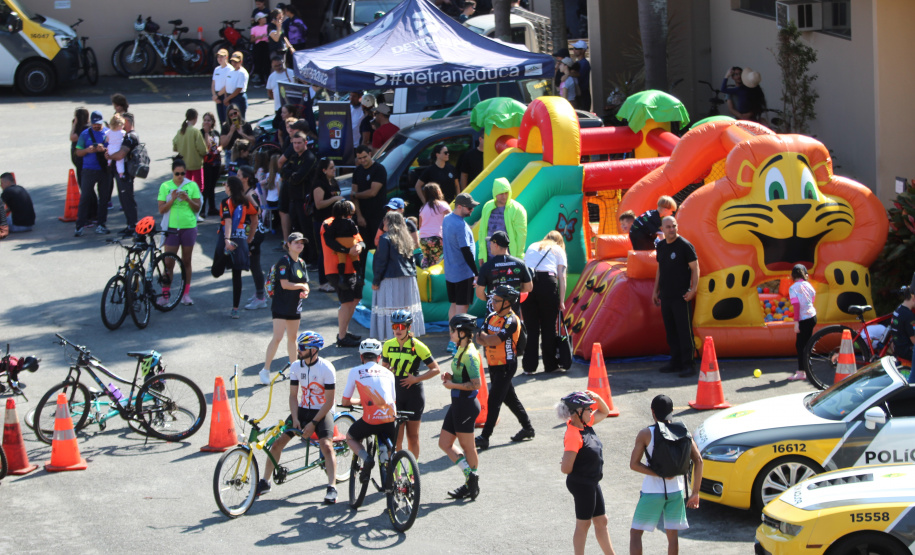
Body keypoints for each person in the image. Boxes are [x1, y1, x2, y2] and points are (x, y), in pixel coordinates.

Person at [257, 331, 339, 504]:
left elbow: (329, 401)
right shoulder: (296, 366)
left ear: (314, 350)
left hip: (322, 411)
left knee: (326, 446)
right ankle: (265, 481)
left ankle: (332, 487)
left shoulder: (327, 368)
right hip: (302, 410)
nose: (298, 350)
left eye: (302, 348)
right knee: (277, 443)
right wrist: (295, 418)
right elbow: (293, 396)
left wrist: (313, 423)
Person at [629, 395, 703, 555]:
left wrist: (658, 473)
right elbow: (699, 461)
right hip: (676, 491)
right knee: (672, 534)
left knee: (636, 533)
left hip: (652, 491)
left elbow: (634, 464)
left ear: (652, 412)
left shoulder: (646, 433)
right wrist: (695, 492)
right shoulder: (683, 431)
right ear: (672, 411)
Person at [474, 285, 535, 451]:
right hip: (493, 365)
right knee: (510, 399)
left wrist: (488, 339)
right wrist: (489, 338)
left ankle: (485, 437)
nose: (492, 303)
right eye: (492, 299)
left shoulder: (511, 321)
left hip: (506, 365)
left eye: (496, 300)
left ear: (507, 303)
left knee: (494, 401)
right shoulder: (492, 317)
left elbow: (493, 341)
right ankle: (528, 428)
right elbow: (479, 338)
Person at [558, 391, 616, 555]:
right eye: (588, 409)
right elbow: (565, 469)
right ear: (577, 412)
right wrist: (567, 460)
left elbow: (605, 412)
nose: (591, 411)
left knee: (601, 520)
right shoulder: (573, 435)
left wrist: (597, 398)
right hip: (582, 484)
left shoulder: (586, 425)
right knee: (583, 524)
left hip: (591, 482)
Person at [381, 309, 441, 458]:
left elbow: (435, 369)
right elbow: (384, 369)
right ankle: (397, 473)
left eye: (401, 327)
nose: (398, 330)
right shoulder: (388, 345)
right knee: (397, 438)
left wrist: (415, 379)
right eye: (395, 327)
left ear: (409, 328)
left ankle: (413, 473)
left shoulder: (419, 346)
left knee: (412, 436)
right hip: (396, 393)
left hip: (413, 393)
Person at [340, 339, 398, 484]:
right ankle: (398, 482)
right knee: (392, 452)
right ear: (379, 358)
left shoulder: (355, 371)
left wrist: (360, 401)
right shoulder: (388, 373)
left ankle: (367, 459)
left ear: (361, 357)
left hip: (370, 420)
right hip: (390, 418)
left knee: (350, 437)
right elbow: (393, 399)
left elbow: (345, 401)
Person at [439, 313, 482, 500]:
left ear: (463, 332)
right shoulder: (460, 349)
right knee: (444, 443)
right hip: (458, 403)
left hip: (465, 404)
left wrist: (453, 385)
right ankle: (470, 476)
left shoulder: (471, 355)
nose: (450, 333)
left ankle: (471, 483)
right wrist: (452, 377)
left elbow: (476, 384)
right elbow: (463, 376)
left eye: (453, 330)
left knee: (468, 447)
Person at [260, 232, 310, 384]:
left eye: (301, 242)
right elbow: (285, 284)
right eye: (296, 243)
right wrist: (301, 286)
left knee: (293, 338)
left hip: (295, 305)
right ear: (288, 245)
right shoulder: (284, 261)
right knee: (278, 337)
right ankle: (265, 370)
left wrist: (305, 290)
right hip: (281, 305)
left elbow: (306, 282)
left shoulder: (301, 262)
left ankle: (295, 370)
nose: (299, 245)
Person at [653, 216, 699, 378]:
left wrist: (693, 289)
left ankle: (689, 364)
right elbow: (660, 269)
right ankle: (675, 361)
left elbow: (695, 268)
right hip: (666, 295)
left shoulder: (685, 246)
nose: (671, 229)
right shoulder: (662, 246)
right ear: (662, 229)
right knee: (670, 330)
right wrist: (655, 290)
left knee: (684, 330)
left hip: (681, 296)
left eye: (673, 226)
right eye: (668, 227)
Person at [371, 212, 426, 342]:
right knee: (405, 309)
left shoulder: (385, 238)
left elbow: (381, 261)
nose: (383, 223)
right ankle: (407, 336)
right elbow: (412, 260)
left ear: (389, 222)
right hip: (408, 279)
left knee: (391, 309)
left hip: (391, 279)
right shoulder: (406, 238)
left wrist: (376, 280)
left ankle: (392, 338)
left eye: (384, 220)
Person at [522, 231, 568, 374]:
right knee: (549, 327)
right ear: (560, 242)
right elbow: (562, 277)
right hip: (548, 284)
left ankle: (529, 367)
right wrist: (561, 300)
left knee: (532, 329)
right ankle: (550, 365)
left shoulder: (532, 246)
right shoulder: (558, 249)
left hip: (528, 284)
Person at [157, 158, 201, 306]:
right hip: (171, 228)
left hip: (188, 227)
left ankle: (186, 294)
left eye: (183, 173)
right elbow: (162, 210)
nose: (181, 176)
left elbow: (197, 208)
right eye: (177, 174)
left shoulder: (192, 185)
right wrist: (172, 198)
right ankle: (165, 295)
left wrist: (188, 199)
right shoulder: (165, 186)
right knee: (168, 262)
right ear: (173, 173)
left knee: (186, 261)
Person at [213, 176, 259, 318]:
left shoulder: (225, 202)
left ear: (230, 187)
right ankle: (235, 309)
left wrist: (227, 240)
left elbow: (227, 222)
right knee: (236, 274)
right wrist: (250, 238)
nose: (223, 185)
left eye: (225, 184)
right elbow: (256, 214)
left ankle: (226, 254)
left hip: (227, 238)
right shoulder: (245, 202)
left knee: (216, 271)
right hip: (240, 239)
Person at [322, 200, 364, 348]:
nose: (351, 216)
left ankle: (344, 332)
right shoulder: (328, 223)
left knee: (355, 299)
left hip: (352, 269)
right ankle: (342, 337)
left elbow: (360, 241)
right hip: (336, 269)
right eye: (350, 213)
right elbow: (329, 242)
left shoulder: (349, 223)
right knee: (346, 302)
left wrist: (358, 247)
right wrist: (347, 251)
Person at [443, 193, 479, 354]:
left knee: (454, 306)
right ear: (459, 206)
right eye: (469, 207)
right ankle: (455, 341)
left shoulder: (447, 219)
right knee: (461, 309)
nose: (472, 210)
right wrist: (476, 272)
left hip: (451, 271)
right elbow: (466, 250)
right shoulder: (460, 225)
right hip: (463, 272)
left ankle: (452, 338)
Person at [476, 231, 532, 314]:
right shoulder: (520, 264)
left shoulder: (486, 266)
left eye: (490, 243)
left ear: (496, 245)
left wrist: (493, 299)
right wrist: (513, 295)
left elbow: (479, 293)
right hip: (513, 315)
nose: (489, 246)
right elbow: (528, 288)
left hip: (493, 315)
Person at [74, 110, 110, 236]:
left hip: (104, 170)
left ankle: (101, 224)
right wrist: (88, 150)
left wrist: (103, 149)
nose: (96, 126)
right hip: (88, 170)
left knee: (104, 199)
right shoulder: (85, 134)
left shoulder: (108, 133)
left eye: (98, 124)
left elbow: (113, 149)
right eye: (94, 124)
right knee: (85, 197)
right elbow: (78, 152)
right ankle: (79, 225)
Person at [477, 177, 527, 265]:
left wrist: (519, 258)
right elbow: (482, 232)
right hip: (489, 257)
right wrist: (482, 254)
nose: (504, 196)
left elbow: (521, 235)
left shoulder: (518, 209)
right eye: (501, 193)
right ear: (495, 193)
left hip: (509, 258)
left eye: (506, 193)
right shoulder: (487, 207)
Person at [312, 157, 344, 292]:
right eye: (331, 168)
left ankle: (333, 280)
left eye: (334, 167)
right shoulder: (319, 184)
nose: (334, 169)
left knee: (334, 252)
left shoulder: (334, 182)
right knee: (324, 252)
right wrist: (334, 199)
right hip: (322, 222)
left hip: (335, 221)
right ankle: (323, 282)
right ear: (324, 170)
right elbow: (319, 204)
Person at [106, 112, 140, 235]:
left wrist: (109, 156)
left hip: (126, 173)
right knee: (123, 198)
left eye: (122, 121)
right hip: (121, 171)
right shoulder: (124, 135)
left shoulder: (130, 136)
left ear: (127, 122)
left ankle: (133, 226)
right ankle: (130, 224)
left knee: (127, 198)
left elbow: (121, 154)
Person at [239, 166, 268, 309]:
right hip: (250, 233)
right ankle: (259, 294)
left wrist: (249, 240)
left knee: (255, 265)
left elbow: (257, 211)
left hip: (254, 234)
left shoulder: (251, 194)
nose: (237, 177)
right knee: (253, 264)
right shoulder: (245, 192)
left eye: (239, 175)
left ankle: (261, 297)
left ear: (245, 178)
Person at [173, 109, 208, 221]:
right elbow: (202, 149)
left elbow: (175, 145)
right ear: (196, 118)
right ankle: (195, 214)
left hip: (184, 165)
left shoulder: (180, 131)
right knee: (198, 190)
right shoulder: (195, 131)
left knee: (184, 189)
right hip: (196, 164)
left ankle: (185, 212)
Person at [351, 144, 387, 255]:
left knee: (378, 245)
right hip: (363, 216)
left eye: (365, 157)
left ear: (370, 154)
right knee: (363, 246)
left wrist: (356, 195)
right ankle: (363, 270)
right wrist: (359, 215)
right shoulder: (357, 171)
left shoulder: (379, 169)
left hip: (377, 215)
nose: (362, 160)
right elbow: (353, 195)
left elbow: (372, 192)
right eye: (360, 158)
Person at [788, 264, 817, 382]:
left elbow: (796, 305)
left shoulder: (793, 288)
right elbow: (813, 297)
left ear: (793, 276)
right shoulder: (808, 285)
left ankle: (801, 372)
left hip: (803, 319)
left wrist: (796, 322)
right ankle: (807, 368)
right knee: (806, 344)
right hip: (812, 316)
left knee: (800, 345)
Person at [418, 183, 451, 268]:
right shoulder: (442, 205)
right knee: (436, 261)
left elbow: (420, 225)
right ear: (438, 192)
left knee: (426, 259)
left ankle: (423, 276)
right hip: (436, 237)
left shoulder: (423, 208)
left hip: (423, 238)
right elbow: (453, 218)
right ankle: (434, 278)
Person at [200, 112, 222, 217]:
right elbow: (206, 146)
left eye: (208, 120)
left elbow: (221, 144)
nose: (206, 122)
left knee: (213, 186)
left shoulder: (216, 133)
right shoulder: (201, 132)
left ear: (213, 122)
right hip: (206, 163)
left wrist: (220, 148)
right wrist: (206, 132)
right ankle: (202, 209)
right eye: (205, 120)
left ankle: (212, 208)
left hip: (216, 162)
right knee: (206, 187)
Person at [266, 56, 296, 128]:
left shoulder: (291, 73)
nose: (278, 67)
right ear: (272, 66)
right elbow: (269, 92)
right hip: (278, 108)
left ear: (284, 63)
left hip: (290, 108)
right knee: (280, 128)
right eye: (275, 66)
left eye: (280, 65)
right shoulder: (271, 76)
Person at [890, 286, 915, 370]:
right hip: (907, 352)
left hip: (898, 350)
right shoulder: (909, 315)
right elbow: (914, 340)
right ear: (913, 297)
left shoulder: (898, 310)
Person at [224, 52, 250, 119]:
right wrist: (226, 96)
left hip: (238, 98)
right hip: (230, 97)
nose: (234, 63)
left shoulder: (242, 73)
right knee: (231, 119)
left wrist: (227, 98)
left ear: (241, 61)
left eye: (236, 62)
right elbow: (227, 85)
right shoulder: (231, 71)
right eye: (232, 61)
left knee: (239, 119)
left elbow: (239, 89)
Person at [211, 49, 231, 131]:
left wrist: (218, 95)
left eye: (221, 57)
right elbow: (213, 84)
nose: (219, 59)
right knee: (221, 120)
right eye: (218, 57)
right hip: (217, 95)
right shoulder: (217, 69)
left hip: (224, 95)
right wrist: (214, 96)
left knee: (226, 120)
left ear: (226, 57)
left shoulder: (230, 69)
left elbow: (227, 85)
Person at [70, 107, 91, 187]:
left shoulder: (83, 128)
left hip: (82, 159)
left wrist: (74, 126)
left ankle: (87, 198)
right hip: (81, 160)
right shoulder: (88, 126)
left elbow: (72, 138)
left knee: (83, 183)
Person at [570, 40, 592, 111]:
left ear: (583, 50)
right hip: (577, 94)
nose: (574, 50)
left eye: (576, 48)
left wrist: (567, 73)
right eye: (573, 48)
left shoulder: (585, 63)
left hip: (583, 94)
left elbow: (579, 75)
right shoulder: (577, 62)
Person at [250, 12, 270, 85]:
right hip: (258, 46)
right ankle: (261, 80)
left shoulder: (268, 26)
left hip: (266, 45)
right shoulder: (254, 28)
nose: (265, 19)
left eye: (265, 18)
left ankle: (268, 80)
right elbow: (251, 40)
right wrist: (259, 37)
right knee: (259, 63)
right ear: (259, 20)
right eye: (263, 18)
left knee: (267, 63)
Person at [106, 113, 126, 180]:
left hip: (110, 148)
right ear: (119, 125)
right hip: (118, 148)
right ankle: (121, 173)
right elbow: (125, 137)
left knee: (109, 156)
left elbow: (107, 139)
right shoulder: (122, 132)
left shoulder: (109, 131)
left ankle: (109, 163)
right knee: (120, 162)